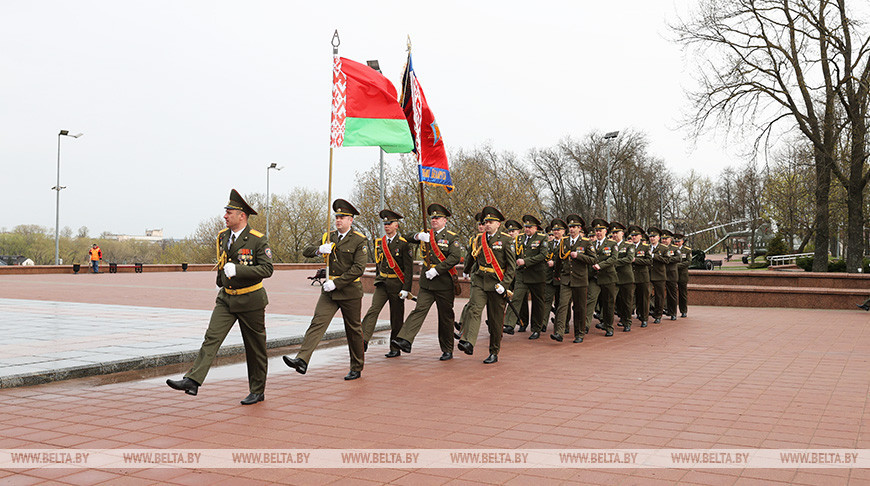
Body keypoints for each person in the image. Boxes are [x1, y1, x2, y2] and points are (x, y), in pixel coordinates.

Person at [167, 189, 273, 405]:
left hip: (251, 300)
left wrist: (239, 271)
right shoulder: (222, 236)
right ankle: (193, 380)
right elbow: (222, 261)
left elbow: (267, 269)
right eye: (225, 211)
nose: (225, 216)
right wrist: (222, 281)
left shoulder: (257, 240)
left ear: (242, 215)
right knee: (211, 338)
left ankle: (257, 390)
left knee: (255, 348)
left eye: (229, 212)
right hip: (226, 299)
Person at [283, 199, 368, 380]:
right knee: (317, 323)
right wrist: (319, 250)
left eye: (343, 217)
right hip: (329, 292)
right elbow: (306, 251)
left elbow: (358, 268)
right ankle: (302, 360)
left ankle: (357, 366)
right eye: (337, 217)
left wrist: (337, 283)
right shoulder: (328, 237)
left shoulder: (360, 240)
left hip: (349, 291)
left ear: (351, 220)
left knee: (353, 330)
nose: (338, 220)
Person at [391, 203, 463, 360]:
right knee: (419, 309)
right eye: (432, 218)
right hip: (427, 284)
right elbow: (406, 237)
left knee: (445, 317)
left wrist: (437, 270)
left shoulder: (452, 237)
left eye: (437, 218)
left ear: (445, 220)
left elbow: (455, 257)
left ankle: (447, 349)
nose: (434, 220)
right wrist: (418, 236)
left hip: (443, 282)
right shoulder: (426, 234)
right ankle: (405, 339)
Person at [457, 206, 516, 363]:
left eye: (491, 222)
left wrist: (505, 284)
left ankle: (494, 351)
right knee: (474, 309)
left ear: (498, 224)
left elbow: (511, 266)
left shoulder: (506, 240)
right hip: (480, 280)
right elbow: (471, 256)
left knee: (495, 321)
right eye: (486, 222)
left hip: (497, 284)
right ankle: (468, 341)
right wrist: (466, 271)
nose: (487, 224)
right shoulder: (478, 239)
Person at [361, 209, 414, 358]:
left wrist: (406, 289)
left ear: (396, 225)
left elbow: (408, 270)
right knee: (373, 310)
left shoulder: (404, 245)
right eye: (385, 223)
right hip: (382, 283)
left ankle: (394, 347)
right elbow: (379, 264)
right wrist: (378, 278)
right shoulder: (380, 243)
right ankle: (363, 340)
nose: (387, 226)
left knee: (396, 317)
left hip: (397, 285)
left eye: (389, 223)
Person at [551, 214, 596, 343]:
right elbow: (559, 259)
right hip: (566, 279)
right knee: (562, 305)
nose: (572, 229)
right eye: (570, 227)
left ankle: (579, 333)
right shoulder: (564, 241)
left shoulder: (586, 242)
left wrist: (579, 256)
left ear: (580, 229)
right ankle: (558, 332)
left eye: (575, 227)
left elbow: (593, 259)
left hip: (580, 279)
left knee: (579, 307)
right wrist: (557, 274)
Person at [504, 215, 548, 337]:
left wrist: (526, 261)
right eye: (526, 227)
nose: (527, 229)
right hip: (522, 274)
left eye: (530, 227)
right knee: (516, 298)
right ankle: (509, 324)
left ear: (536, 228)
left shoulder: (542, 238)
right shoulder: (520, 238)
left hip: (537, 275)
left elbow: (543, 255)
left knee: (538, 303)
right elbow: (514, 253)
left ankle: (536, 328)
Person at [587, 218, 618, 337]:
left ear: (606, 231)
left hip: (608, 277)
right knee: (591, 300)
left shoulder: (612, 244)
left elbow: (613, 259)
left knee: (608, 303)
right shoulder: (591, 244)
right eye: (596, 230)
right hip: (595, 278)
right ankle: (585, 325)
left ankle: (608, 326)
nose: (598, 233)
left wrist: (600, 265)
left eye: (600, 230)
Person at [611, 222, 636, 332]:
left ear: (622, 233)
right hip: (613, 277)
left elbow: (629, 258)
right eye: (613, 233)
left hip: (626, 277)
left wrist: (613, 262)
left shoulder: (629, 245)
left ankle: (627, 322)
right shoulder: (610, 245)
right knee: (612, 300)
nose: (615, 235)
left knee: (627, 301)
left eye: (617, 232)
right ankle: (608, 322)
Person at [629, 226, 652, 328]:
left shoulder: (646, 247)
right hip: (630, 276)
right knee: (629, 298)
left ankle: (644, 318)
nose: (633, 237)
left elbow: (649, 261)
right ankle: (626, 319)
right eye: (632, 235)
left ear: (640, 236)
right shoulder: (628, 246)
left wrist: (636, 260)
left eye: (635, 235)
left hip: (642, 276)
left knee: (643, 298)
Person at [647, 227, 668, 324]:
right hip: (648, 275)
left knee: (659, 296)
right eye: (650, 236)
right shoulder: (646, 247)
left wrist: (654, 256)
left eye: (654, 236)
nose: (652, 238)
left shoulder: (663, 248)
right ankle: (648, 311)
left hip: (659, 275)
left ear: (658, 238)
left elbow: (667, 260)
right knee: (647, 294)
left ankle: (658, 315)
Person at [661, 230, 680, 321]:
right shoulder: (659, 248)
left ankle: (673, 313)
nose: (664, 240)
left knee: (672, 294)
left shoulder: (675, 248)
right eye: (663, 238)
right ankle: (665, 310)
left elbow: (678, 258)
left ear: (670, 239)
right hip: (661, 273)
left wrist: (667, 259)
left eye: (666, 238)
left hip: (671, 273)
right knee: (660, 294)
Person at [674, 233, 691, 318]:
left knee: (683, 294)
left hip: (682, 275)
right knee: (672, 293)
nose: (676, 243)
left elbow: (688, 262)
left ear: (682, 241)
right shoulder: (671, 249)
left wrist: (676, 266)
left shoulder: (687, 250)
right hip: (672, 274)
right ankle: (671, 311)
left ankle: (683, 311)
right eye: (675, 241)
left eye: (678, 241)